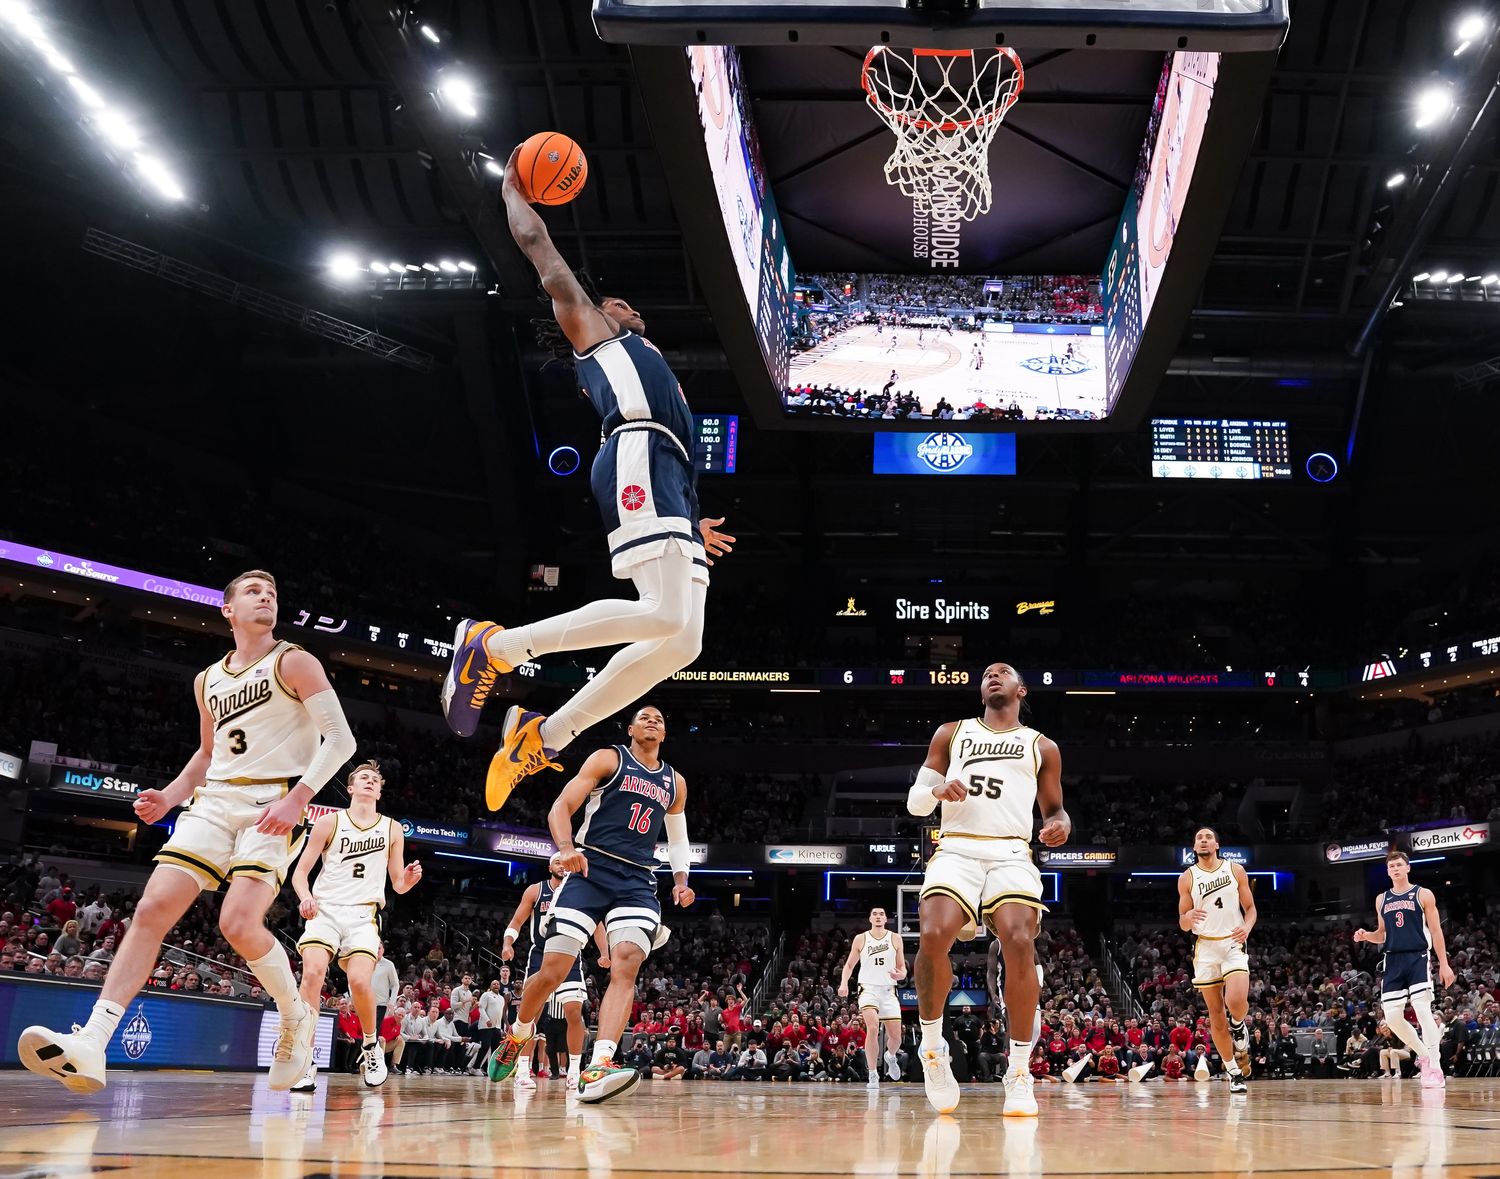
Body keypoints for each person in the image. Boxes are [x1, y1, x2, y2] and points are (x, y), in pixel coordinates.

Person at [441, 148, 735, 813]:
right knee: (661, 611)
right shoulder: (597, 338)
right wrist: (515, 193)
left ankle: (541, 736)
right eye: (614, 301)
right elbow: (541, 251)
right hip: (633, 453)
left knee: (683, 642)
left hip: (671, 483)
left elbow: (681, 450)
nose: (628, 305)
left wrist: (690, 519)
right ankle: (495, 645)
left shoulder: (654, 362)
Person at [18, 570, 356, 1093]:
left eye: (272, 592)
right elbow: (206, 754)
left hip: (274, 801)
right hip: (214, 801)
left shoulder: (294, 660)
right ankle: (93, 1042)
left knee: (238, 924)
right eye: (253, 591)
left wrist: (297, 799)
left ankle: (295, 1015)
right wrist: (169, 797)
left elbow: (341, 740)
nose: (266, 596)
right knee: (151, 909)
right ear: (228, 609)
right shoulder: (207, 680)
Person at [486, 706, 694, 1104]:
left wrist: (682, 880)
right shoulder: (608, 758)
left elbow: (678, 837)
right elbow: (561, 807)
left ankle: (601, 1063)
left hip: (636, 879)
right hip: (588, 868)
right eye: (645, 716)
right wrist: (565, 849)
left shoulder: (675, 782)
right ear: (631, 728)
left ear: (664, 734)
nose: (653, 721)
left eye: (660, 719)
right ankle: (519, 1032)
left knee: (628, 959)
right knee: (552, 970)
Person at [906, 662, 1070, 1117]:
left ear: (1021, 688)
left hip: (1011, 851)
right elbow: (915, 802)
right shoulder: (951, 733)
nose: (993, 676)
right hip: (957, 848)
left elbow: (1056, 810)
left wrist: (1059, 826)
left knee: (1019, 939)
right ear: (982, 691)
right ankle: (933, 1049)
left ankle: (1019, 1072)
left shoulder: (1042, 746)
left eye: (1003, 672)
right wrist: (938, 790)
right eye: (986, 674)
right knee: (934, 933)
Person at [289, 761, 422, 1091]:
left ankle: (370, 1044)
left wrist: (406, 880)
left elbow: (397, 884)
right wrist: (305, 897)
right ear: (350, 788)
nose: (369, 782)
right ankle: (305, 1059)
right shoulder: (328, 823)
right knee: (313, 974)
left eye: (375, 780)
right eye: (363, 778)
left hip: (363, 914)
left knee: (361, 982)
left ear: (379, 790)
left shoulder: (392, 828)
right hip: (326, 910)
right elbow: (300, 873)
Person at [500, 860, 610, 1089]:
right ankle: (522, 1069)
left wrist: (604, 951)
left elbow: (598, 924)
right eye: (557, 862)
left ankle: (573, 1071)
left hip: (571, 955)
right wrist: (508, 943)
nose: (562, 866)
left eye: (565, 863)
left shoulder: (582, 892)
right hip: (541, 954)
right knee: (531, 1014)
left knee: (574, 1012)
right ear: (550, 868)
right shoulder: (536, 890)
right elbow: (517, 920)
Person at [1353, 848, 1456, 1089]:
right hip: (1393, 960)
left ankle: (1436, 1065)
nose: (1396, 869)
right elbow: (1382, 934)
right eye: (1391, 866)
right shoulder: (1382, 899)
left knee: (1421, 1008)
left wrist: (1444, 963)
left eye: (1399, 865)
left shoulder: (1423, 894)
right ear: (1388, 871)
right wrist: (1366, 935)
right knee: (1392, 1018)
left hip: (1417, 955)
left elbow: (1436, 930)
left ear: (1408, 867)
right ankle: (1424, 1055)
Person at [1177, 826, 1256, 1095]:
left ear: (1217, 844)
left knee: (1235, 1002)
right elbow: (1183, 921)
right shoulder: (1187, 877)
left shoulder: (1235, 870)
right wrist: (1187, 919)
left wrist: (1247, 926)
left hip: (1233, 942)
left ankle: (1239, 1024)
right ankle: (1233, 1070)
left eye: (1208, 837)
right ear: (1194, 846)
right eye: (1198, 837)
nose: (1203, 840)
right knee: (1215, 1015)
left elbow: (1251, 909)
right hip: (1206, 948)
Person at [837, 905, 907, 1088]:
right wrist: (844, 983)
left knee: (896, 1037)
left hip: (888, 990)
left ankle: (890, 1057)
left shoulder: (896, 938)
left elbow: (902, 967)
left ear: (886, 919)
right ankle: (873, 1074)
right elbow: (849, 965)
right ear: (870, 918)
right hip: (868, 989)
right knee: (873, 1027)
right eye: (874, 914)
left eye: (881, 914)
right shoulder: (861, 939)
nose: (878, 916)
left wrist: (902, 975)